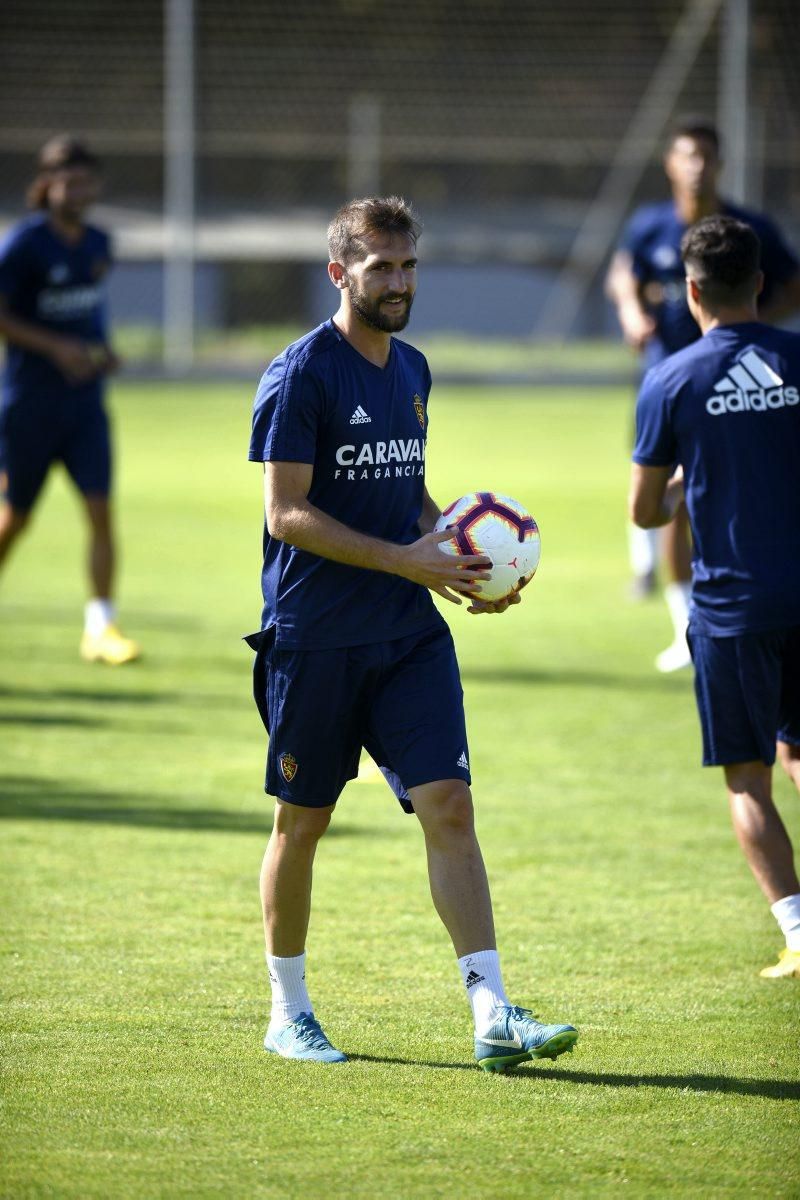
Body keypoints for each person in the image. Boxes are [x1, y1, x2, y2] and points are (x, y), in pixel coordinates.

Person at [245, 195, 578, 1067]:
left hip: (407, 634)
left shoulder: (414, 370)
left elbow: (408, 497)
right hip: (316, 636)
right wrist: (407, 560)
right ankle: (289, 1011)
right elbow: (286, 514)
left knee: (451, 806)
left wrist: (460, 560)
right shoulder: (300, 375)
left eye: (408, 266)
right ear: (339, 273)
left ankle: (494, 1012)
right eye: (380, 267)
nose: (398, 283)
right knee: (303, 822)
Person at [629, 214, 800, 979]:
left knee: (748, 774)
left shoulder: (671, 380)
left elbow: (645, 512)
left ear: (691, 291)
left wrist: (686, 478)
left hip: (732, 608)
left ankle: (798, 931)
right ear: (760, 282)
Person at [607, 118, 800, 672]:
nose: (696, 166)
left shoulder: (749, 229)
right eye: (686, 155)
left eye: (706, 156)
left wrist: (750, 328)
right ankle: (685, 623)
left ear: (720, 164)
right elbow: (623, 273)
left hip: (745, 377)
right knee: (676, 502)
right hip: (673, 380)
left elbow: (795, 280)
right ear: (670, 163)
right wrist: (631, 310)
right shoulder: (649, 226)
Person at [0, 135, 138, 664]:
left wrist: (102, 351)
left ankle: (101, 627)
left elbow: (88, 311)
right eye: (69, 181)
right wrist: (55, 346)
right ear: (46, 184)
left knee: (100, 511)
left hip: (84, 404)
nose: (80, 191)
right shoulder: (25, 244)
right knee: (15, 517)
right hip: (30, 403)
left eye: (88, 181)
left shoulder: (99, 243)